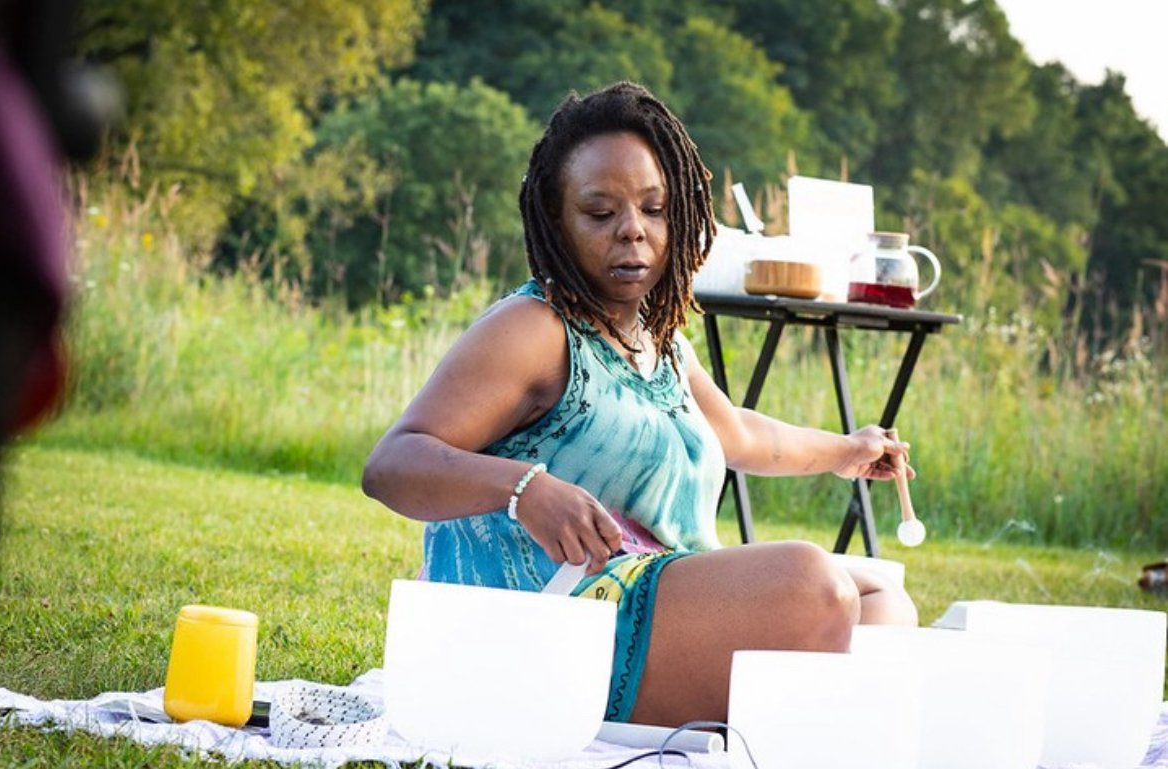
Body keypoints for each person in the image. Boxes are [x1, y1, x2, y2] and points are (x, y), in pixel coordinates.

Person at [362, 81, 918, 727]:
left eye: (653, 208)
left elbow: (739, 433)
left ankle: (787, 729)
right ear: (556, 219)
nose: (633, 230)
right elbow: (392, 464)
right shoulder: (532, 329)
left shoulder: (658, 343)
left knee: (883, 596)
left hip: (643, 594)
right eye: (601, 213)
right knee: (813, 583)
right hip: (540, 626)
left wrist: (848, 450)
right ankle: (783, 723)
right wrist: (526, 488)